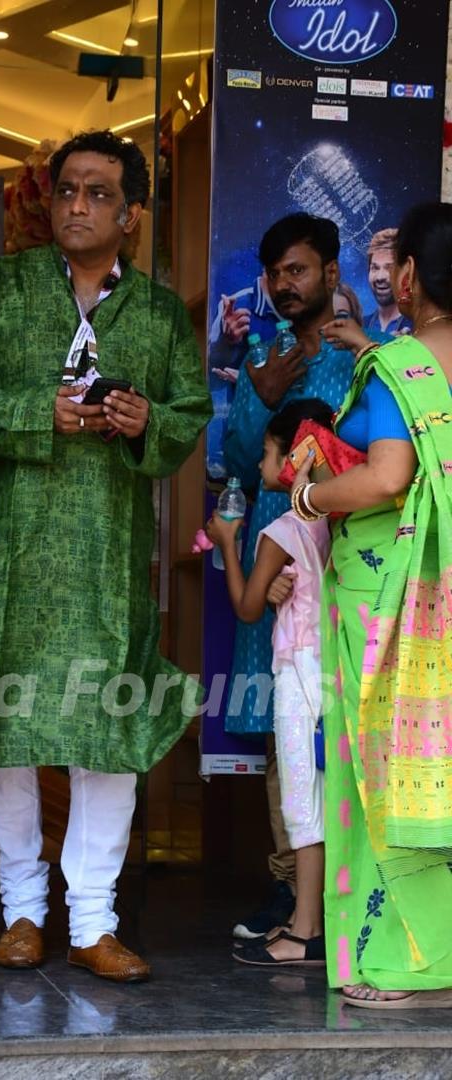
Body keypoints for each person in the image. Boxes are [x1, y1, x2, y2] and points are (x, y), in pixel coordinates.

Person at [0, 130, 212, 982]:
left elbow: (188, 412)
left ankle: (93, 921)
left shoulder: (157, 314)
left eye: (95, 194)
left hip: (105, 565)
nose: (76, 206)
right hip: (4, 562)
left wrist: (145, 422)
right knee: (2, 730)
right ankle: (20, 911)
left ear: (129, 214)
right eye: (66, 191)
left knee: (107, 734)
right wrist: (30, 411)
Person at [292, 202, 452, 1009]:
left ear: (413, 277)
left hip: (398, 600)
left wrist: (313, 493)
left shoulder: (401, 368)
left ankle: (411, 965)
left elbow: (387, 478)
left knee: (385, 768)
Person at [223, 213, 359, 941]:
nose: (284, 284)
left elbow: (374, 463)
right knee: (286, 735)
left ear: (332, 275)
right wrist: (263, 396)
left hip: (346, 577)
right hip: (280, 573)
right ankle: (289, 887)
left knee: (345, 731)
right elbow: (244, 465)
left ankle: (348, 883)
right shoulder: (263, 361)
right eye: (275, 272)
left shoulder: (363, 358)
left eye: (298, 270)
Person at [208, 399, 333, 967]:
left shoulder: (281, 529)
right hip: (337, 668)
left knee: (301, 801)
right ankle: (321, 917)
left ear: (294, 457)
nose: (261, 461)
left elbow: (248, 607)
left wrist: (230, 543)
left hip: (298, 674)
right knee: (330, 798)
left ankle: (304, 929)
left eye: (266, 451)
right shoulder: (339, 517)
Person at [363, 228, 412, 336]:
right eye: (375, 268)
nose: (380, 277)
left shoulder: (417, 327)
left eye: (389, 268)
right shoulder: (359, 327)